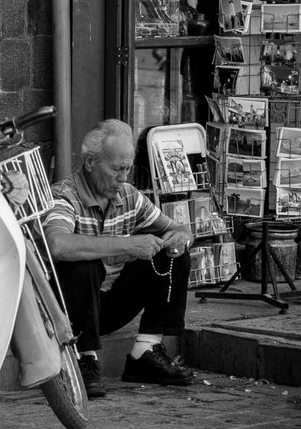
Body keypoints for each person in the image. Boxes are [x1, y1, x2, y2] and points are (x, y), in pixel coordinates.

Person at [42, 119, 195, 399]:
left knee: (173, 257)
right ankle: (83, 357)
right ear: (90, 162)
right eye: (115, 169)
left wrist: (181, 238)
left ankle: (145, 352)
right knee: (83, 264)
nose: (123, 177)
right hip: (68, 310)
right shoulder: (63, 197)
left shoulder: (129, 196)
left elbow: (177, 228)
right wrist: (128, 244)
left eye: (127, 168)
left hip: (108, 306)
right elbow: (57, 245)